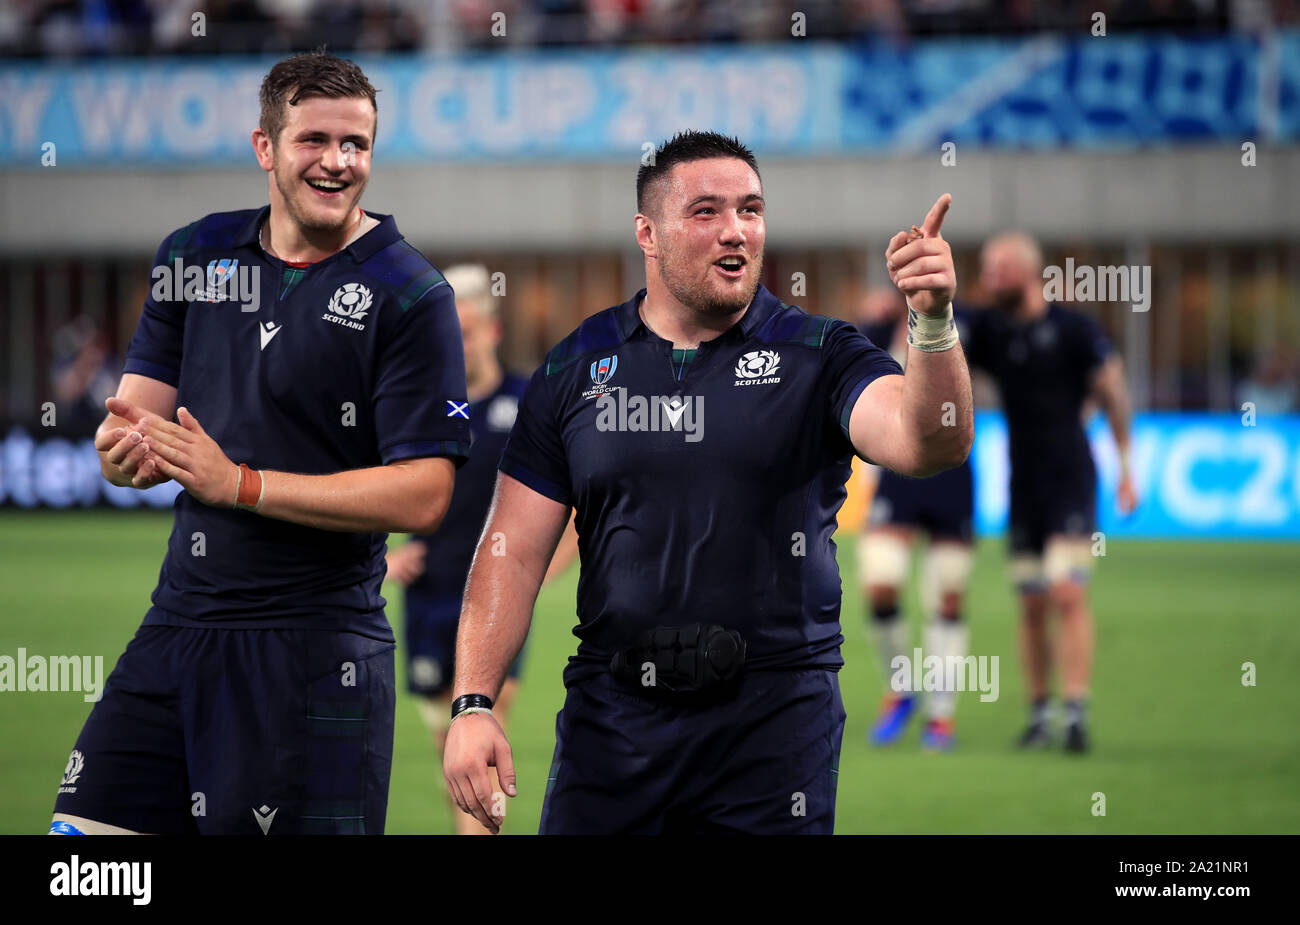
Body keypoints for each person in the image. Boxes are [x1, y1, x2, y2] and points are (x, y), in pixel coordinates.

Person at [443, 130, 973, 835]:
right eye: (706, 212)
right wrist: (474, 702)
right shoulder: (577, 367)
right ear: (649, 232)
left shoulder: (819, 354)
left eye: (751, 210)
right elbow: (509, 551)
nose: (736, 231)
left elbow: (929, 440)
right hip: (612, 727)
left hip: (773, 734)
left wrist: (932, 323)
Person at [49, 51, 469, 835]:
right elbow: (134, 420)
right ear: (264, 147)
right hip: (174, 629)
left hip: (313, 653)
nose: (338, 161)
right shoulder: (192, 255)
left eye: (357, 144)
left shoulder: (412, 293)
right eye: (314, 139)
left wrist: (241, 483)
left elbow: (425, 489)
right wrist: (126, 453)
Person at [384, 263, 578, 835]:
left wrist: (531, 580)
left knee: (484, 734)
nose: (455, 346)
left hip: (495, 608)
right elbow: (361, 482)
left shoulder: (529, 402)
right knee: (454, 755)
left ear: (491, 332)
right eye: (445, 335)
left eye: (465, 332)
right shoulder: (419, 409)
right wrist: (381, 558)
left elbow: (577, 512)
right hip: (427, 601)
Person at [965, 232, 1137, 754]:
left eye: (997, 269)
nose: (989, 278)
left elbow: (1112, 389)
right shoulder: (992, 330)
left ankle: (1076, 712)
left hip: (1071, 479)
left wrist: (1127, 466)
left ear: (1025, 271)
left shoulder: (1074, 330)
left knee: (1068, 593)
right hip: (1023, 483)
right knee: (1032, 602)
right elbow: (941, 349)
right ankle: (1040, 714)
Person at [856, 287, 975, 751]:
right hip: (898, 463)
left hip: (953, 469)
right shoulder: (882, 324)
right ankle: (900, 691)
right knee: (881, 582)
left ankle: (941, 717)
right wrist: (871, 318)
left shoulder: (962, 319)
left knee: (947, 594)